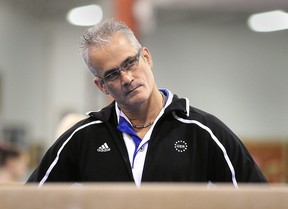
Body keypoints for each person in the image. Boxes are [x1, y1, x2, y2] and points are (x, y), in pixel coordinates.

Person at [27, 19, 267, 187]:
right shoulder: (82, 139)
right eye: (112, 74)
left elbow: (260, 201)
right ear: (101, 86)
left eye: (130, 62)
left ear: (147, 57)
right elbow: (29, 203)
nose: (127, 78)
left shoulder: (204, 133)